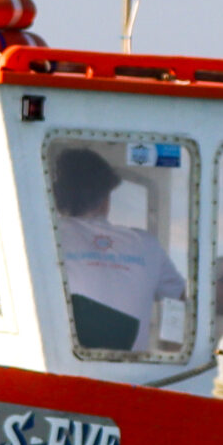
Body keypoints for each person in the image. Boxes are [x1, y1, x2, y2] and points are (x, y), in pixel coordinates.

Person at [51, 145, 186, 354]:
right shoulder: (146, 244)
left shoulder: (47, 236)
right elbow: (181, 298)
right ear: (106, 198)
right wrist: (170, 344)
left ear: (57, 197)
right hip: (134, 377)